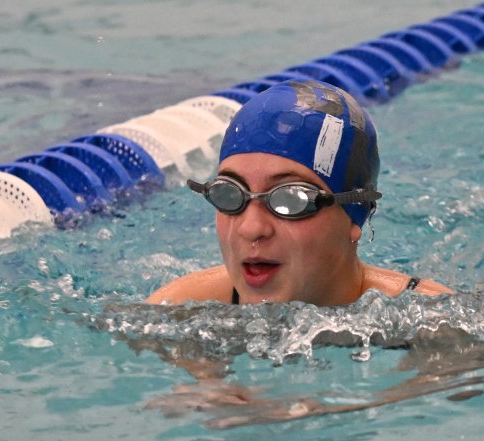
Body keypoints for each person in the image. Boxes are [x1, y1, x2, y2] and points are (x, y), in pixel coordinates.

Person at [146, 79, 451, 306]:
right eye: (230, 194)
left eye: (292, 198)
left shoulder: (434, 319)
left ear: (354, 215)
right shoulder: (177, 309)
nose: (251, 228)